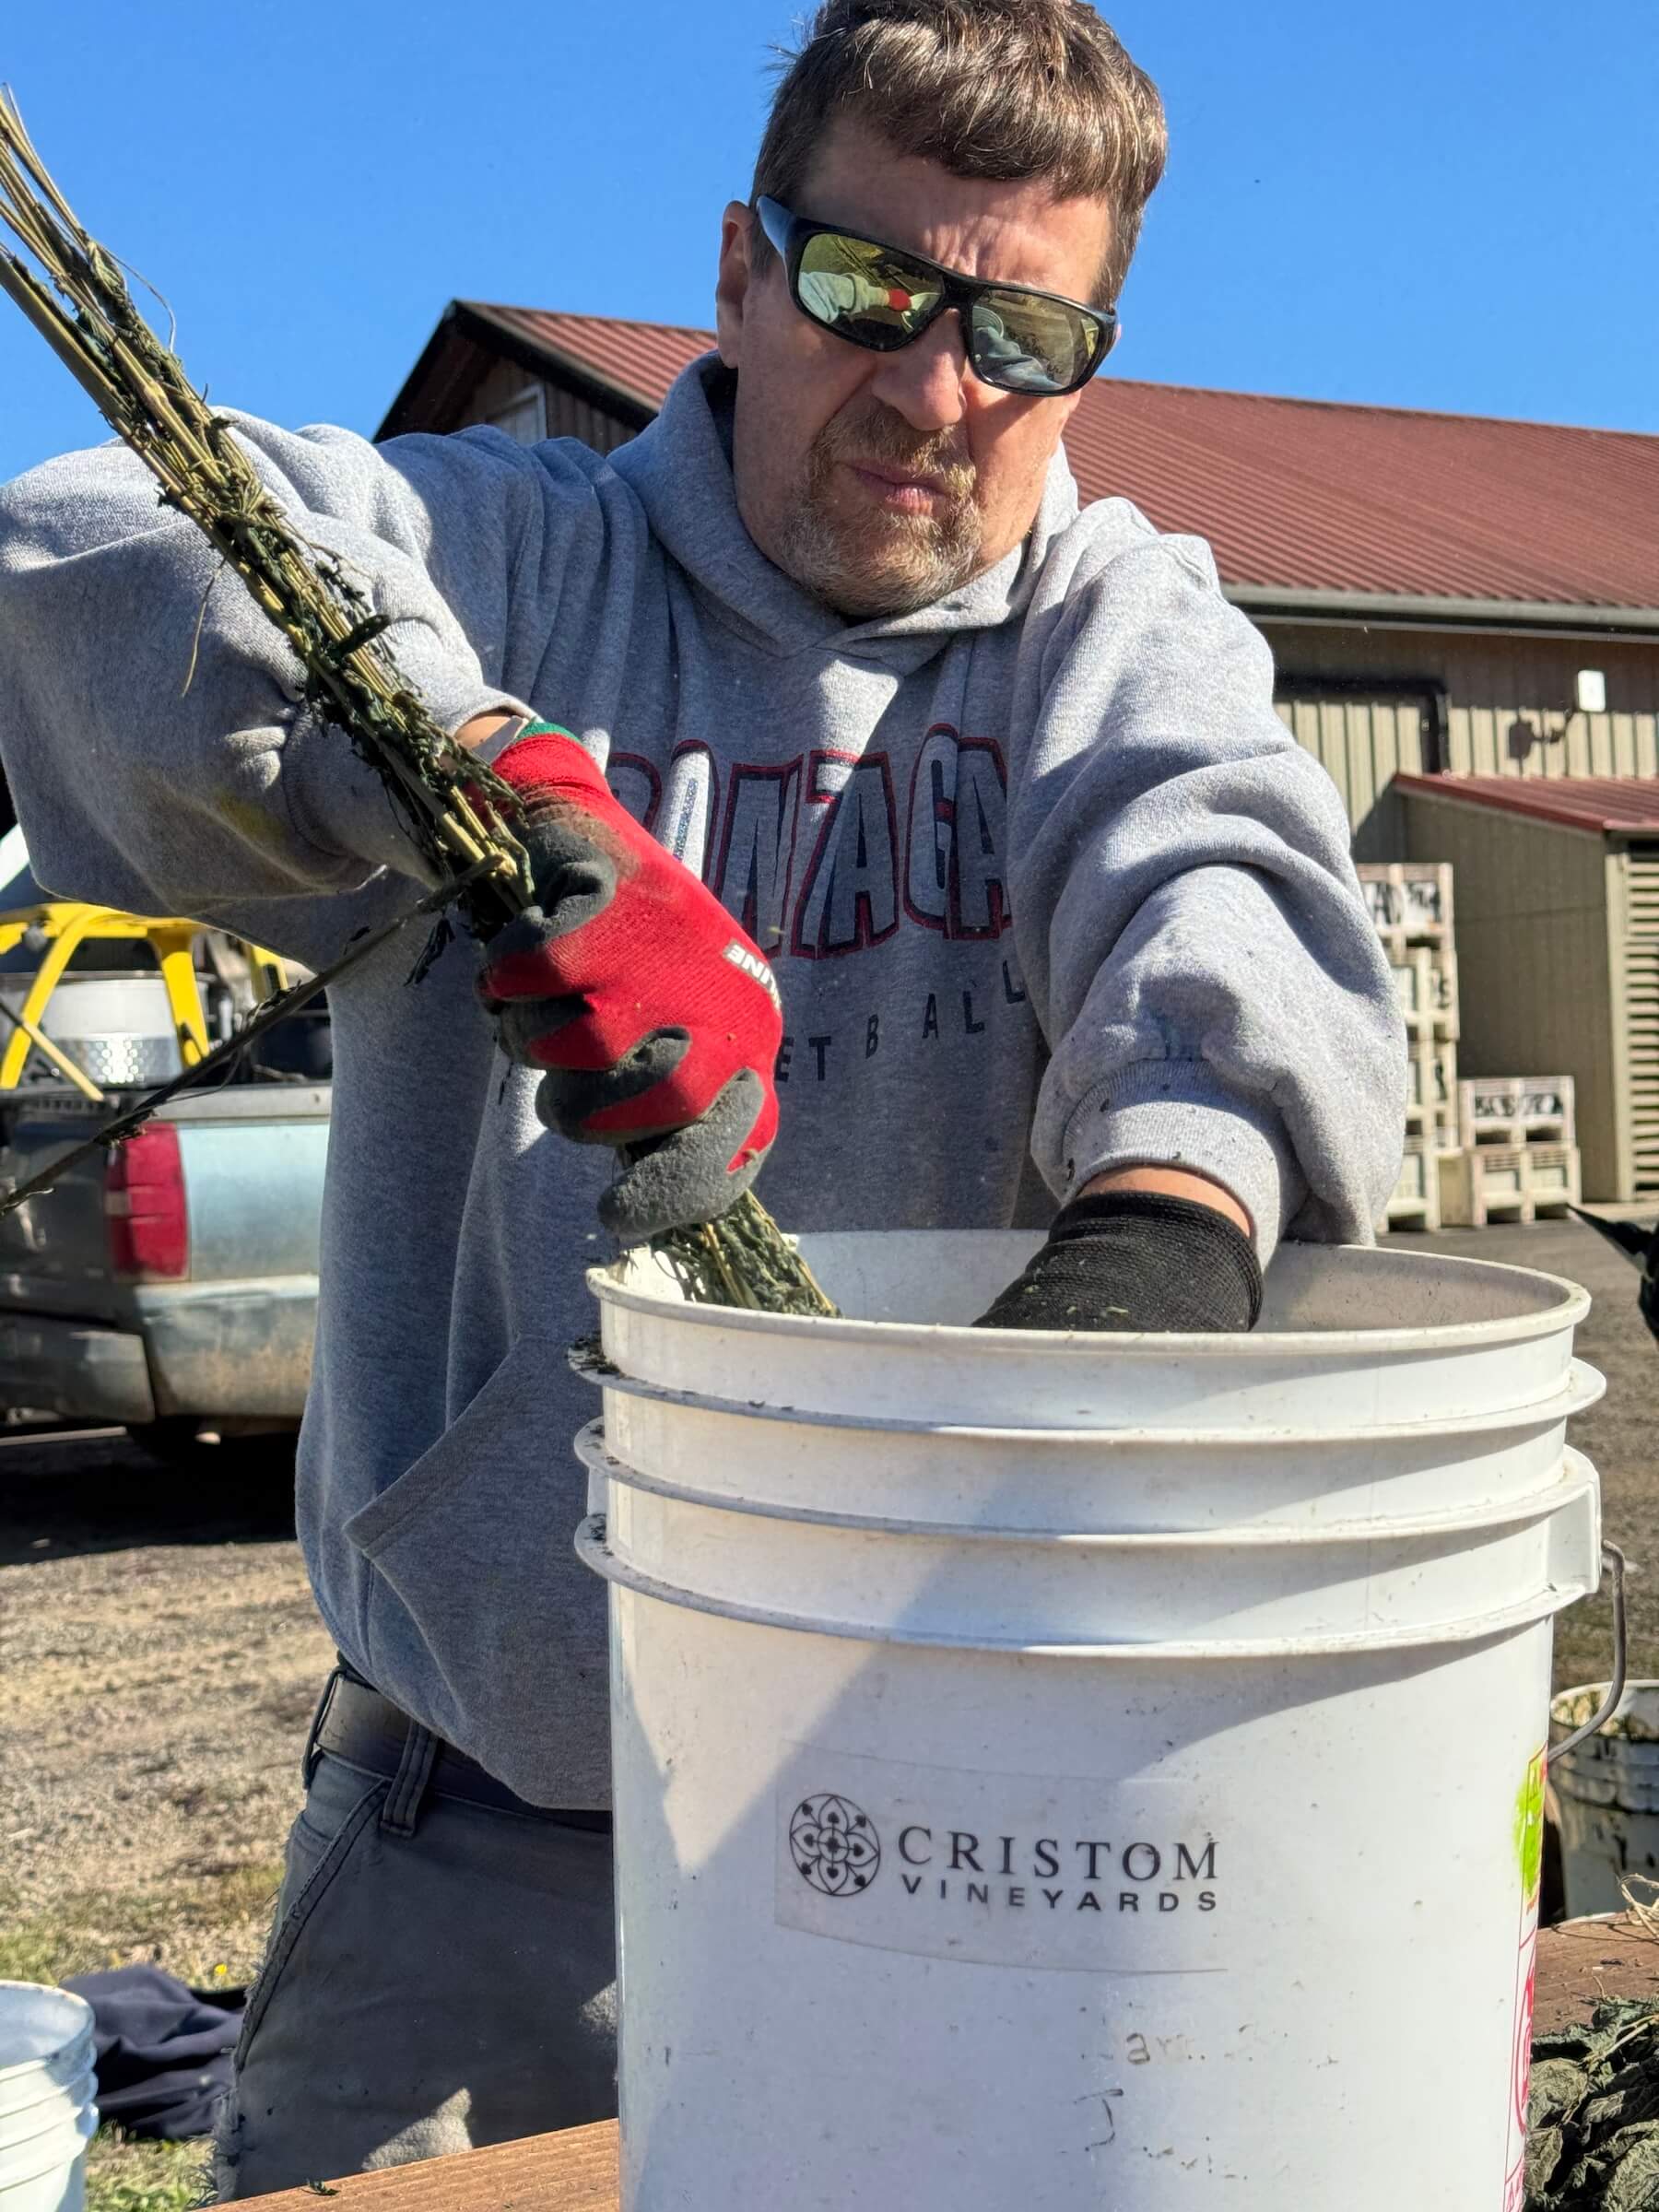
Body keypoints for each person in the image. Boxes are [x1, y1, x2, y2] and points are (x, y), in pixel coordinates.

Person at [0, 0, 1405, 2191]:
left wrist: (1160, 1224)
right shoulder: (515, 562)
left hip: (986, 1831)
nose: (936, 391)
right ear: (741, 272)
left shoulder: (1118, 632)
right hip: (486, 1846)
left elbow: (1212, 881)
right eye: (873, 292)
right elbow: (92, 556)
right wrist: (477, 773)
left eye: (1023, 336)